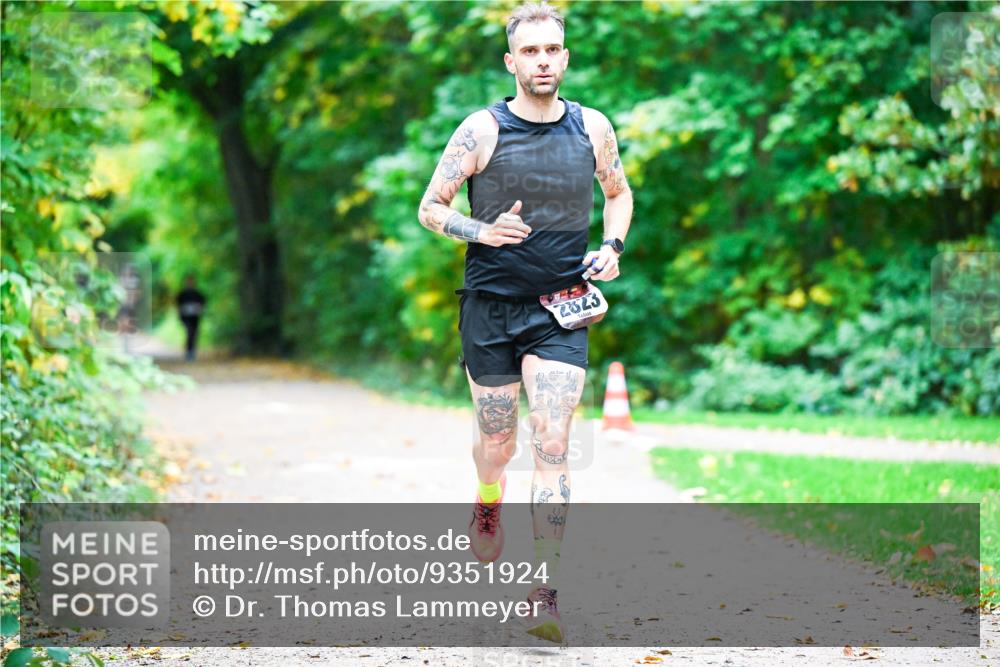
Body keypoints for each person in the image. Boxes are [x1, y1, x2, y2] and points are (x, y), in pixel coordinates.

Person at [415, 2, 633, 644]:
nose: (542, 61)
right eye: (530, 51)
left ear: (565, 58)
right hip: (490, 307)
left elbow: (618, 193)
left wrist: (612, 249)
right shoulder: (481, 130)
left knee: (554, 439)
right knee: (499, 445)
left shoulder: (593, 128)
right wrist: (482, 230)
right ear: (512, 62)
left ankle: (546, 590)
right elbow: (430, 207)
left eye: (552, 50)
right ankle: (488, 498)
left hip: (559, 308)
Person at [176, 273, 206, 362]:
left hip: (195, 318)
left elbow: (202, 305)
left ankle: (191, 351)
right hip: (185, 317)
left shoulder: (198, 294)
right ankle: (189, 352)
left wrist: (199, 309)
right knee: (189, 332)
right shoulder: (182, 294)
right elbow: (178, 306)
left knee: (194, 334)